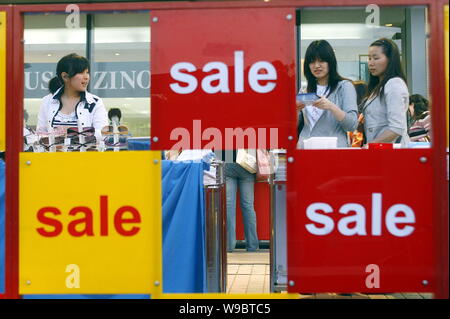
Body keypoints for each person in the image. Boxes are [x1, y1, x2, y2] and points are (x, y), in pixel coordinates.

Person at [296, 40, 358, 148]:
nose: (316, 65)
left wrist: (331, 107)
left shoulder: (344, 87)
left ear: (330, 62)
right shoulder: (304, 90)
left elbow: (352, 125)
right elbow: (294, 126)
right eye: (312, 61)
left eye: (322, 61)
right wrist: (295, 110)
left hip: (333, 151)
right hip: (305, 150)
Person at [37, 53, 108, 136]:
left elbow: (103, 134)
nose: (86, 77)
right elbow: (40, 134)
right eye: (81, 72)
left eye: (87, 72)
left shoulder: (95, 102)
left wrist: (75, 132)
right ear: (65, 76)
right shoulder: (47, 101)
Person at [362, 38, 410, 147]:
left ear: (390, 59)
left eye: (376, 58)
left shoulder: (394, 84)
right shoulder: (378, 87)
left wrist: (371, 146)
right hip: (381, 150)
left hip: (391, 151)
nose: (371, 63)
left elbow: (396, 128)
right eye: (369, 58)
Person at [224, 150, 259, 252]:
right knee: (248, 206)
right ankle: (252, 246)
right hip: (248, 164)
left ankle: (228, 246)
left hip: (228, 159)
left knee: (229, 206)